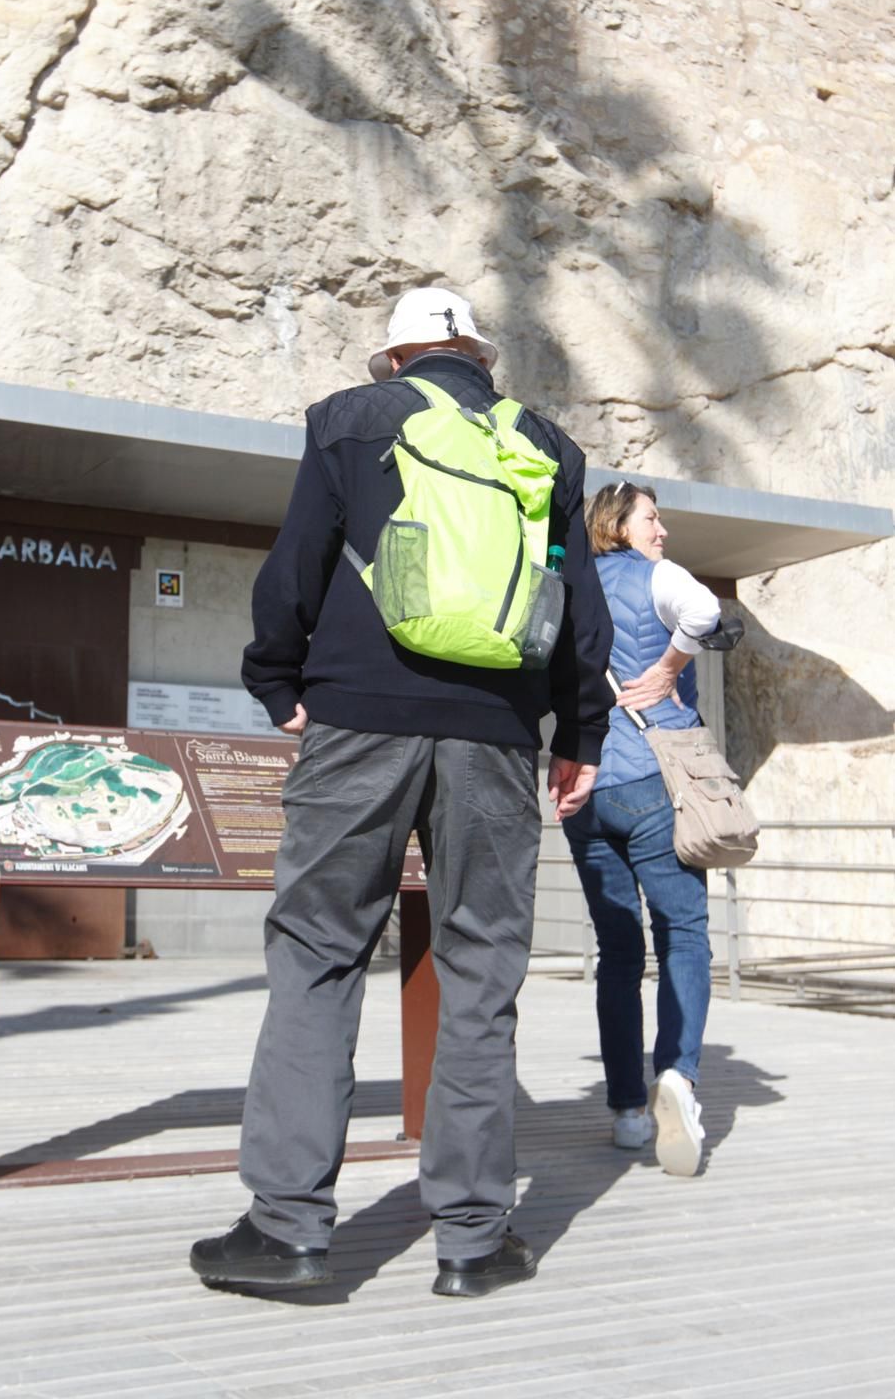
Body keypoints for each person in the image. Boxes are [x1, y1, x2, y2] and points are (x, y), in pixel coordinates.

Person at [189, 286, 614, 1298]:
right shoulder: (543, 445)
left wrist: (274, 680)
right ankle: (470, 1239)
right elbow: (575, 603)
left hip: (356, 723)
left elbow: (294, 565)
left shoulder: (348, 421)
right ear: (478, 355)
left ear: (393, 358)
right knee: (479, 972)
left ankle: (286, 1229)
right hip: (497, 739)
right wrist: (577, 730)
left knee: (318, 954)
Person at [561, 481, 721, 1178]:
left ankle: (628, 1112)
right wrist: (667, 667)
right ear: (618, 524)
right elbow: (706, 611)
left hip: (588, 787)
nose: (663, 532)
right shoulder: (658, 576)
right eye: (652, 519)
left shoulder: (567, 586)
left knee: (619, 954)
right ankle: (677, 1078)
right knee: (683, 931)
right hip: (658, 780)